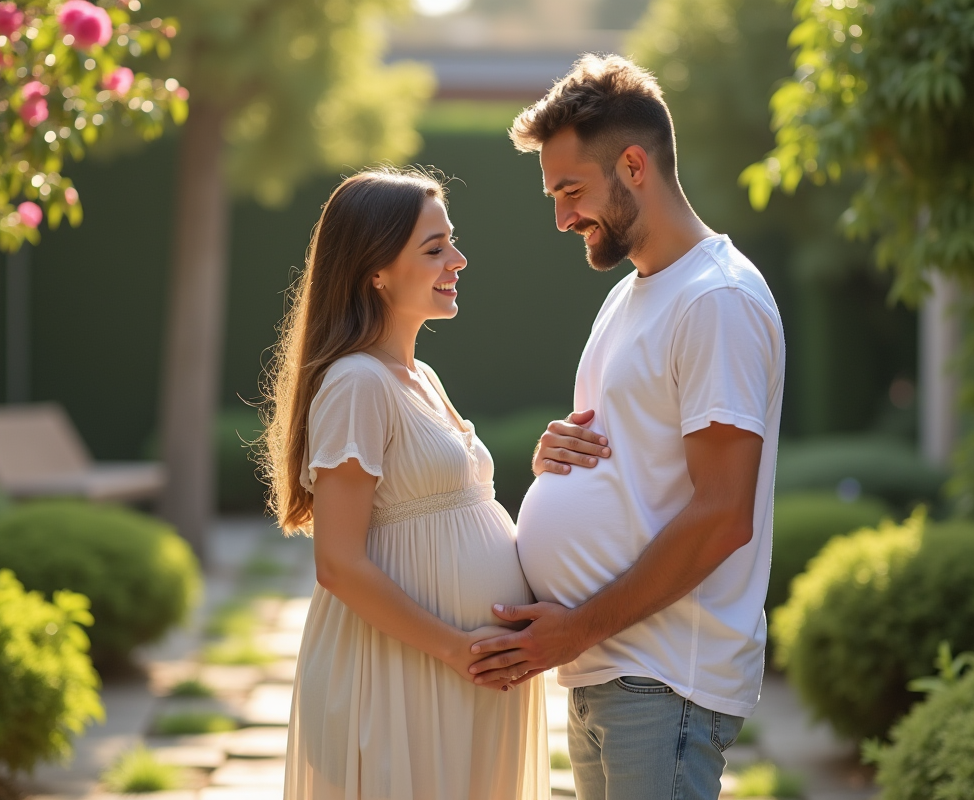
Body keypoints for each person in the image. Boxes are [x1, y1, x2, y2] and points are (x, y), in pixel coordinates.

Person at [468, 55, 787, 800]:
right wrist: (557, 458)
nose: (561, 218)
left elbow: (723, 515)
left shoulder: (716, 300)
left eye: (571, 191)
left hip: (662, 677)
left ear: (634, 166)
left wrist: (576, 628)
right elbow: (635, 460)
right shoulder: (632, 295)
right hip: (608, 669)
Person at [264, 168, 548, 800]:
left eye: (452, 242)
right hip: (402, 671)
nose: (458, 260)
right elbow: (338, 564)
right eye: (434, 248)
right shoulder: (356, 384)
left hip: (464, 673)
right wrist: (454, 649)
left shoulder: (421, 377)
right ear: (376, 271)